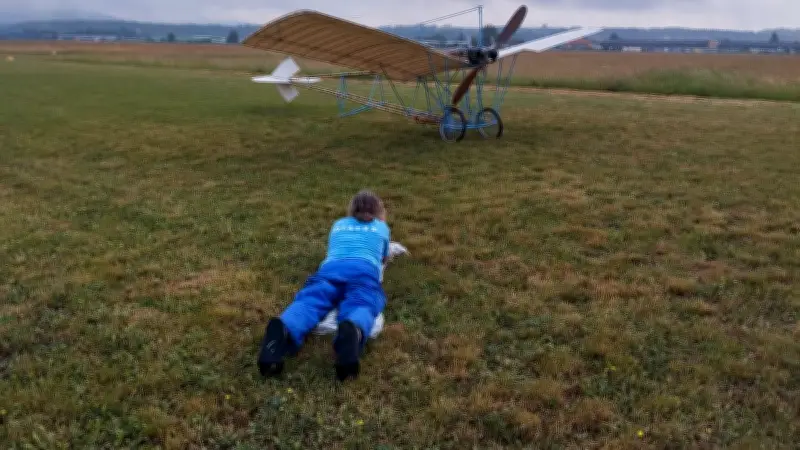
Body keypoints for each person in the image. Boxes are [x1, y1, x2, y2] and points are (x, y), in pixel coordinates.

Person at [257, 190, 391, 381]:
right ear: (379, 210)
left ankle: (286, 327)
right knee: (362, 303)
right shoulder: (381, 228)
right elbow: (383, 258)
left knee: (311, 300)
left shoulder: (339, 224)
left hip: (331, 269)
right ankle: (354, 329)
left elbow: (333, 249)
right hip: (363, 271)